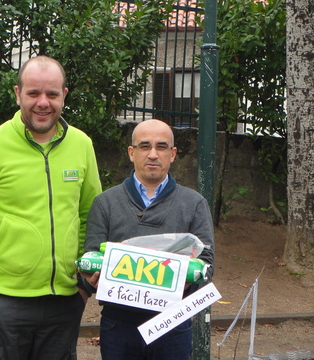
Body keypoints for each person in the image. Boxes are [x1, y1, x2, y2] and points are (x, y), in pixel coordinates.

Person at [0, 55, 102, 360]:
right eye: (33, 93)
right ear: (18, 94)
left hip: (64, 302)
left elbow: (91, 217)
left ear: (64, 96)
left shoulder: (81, 145)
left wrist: (84, 286)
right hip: (3, 304)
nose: (42, 103)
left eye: (52, 94)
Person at [80, 119, 215, 360]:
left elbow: (206, 263)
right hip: (119, 327)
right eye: (144, 146)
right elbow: (91, 256)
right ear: (131, 153)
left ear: (173, 154)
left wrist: (181, 282)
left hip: (172, 325)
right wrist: (93, 278)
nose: (153, 154)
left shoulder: (194, 204)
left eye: (161, 147)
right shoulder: (105, 203)